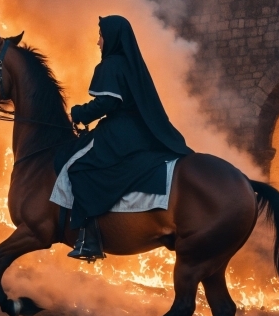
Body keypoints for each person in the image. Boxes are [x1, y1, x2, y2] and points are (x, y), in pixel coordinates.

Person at [51, 15, 193, 261]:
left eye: (101, 36)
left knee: (78, 167)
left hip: (120, 133)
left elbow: (106, 102)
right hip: (140, 132)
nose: (98, 42)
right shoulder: (132, 64)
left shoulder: (112, 65)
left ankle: (90, 238)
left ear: (112, 37)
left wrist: (78, 113)